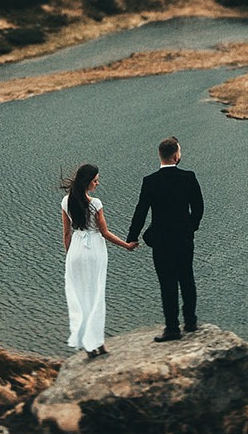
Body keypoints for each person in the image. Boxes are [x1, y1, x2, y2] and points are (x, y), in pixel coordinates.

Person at [126, 136, 203, 342]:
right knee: (187, 278)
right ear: (177, 155)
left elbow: (140, 212)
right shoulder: (189, 177)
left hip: (161, 240)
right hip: (184, 238)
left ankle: (172, 328)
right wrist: (190, 228)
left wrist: (131, 238)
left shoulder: (150, 181)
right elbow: (198, 207)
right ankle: (191, 321)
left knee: (167, 283)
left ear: (160, 155)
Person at [61, 162, 135, 357]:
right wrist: (126, 245)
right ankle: (98, 343)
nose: (97, 183)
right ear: (87, 182)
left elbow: (66, 235)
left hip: (75, 251)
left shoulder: (65, 201)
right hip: (93, 251)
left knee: (82, 297)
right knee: (96, 297)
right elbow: (105, 233)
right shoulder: (95, 204)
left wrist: (70, 258)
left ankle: (89, 344)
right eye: (95, 180)